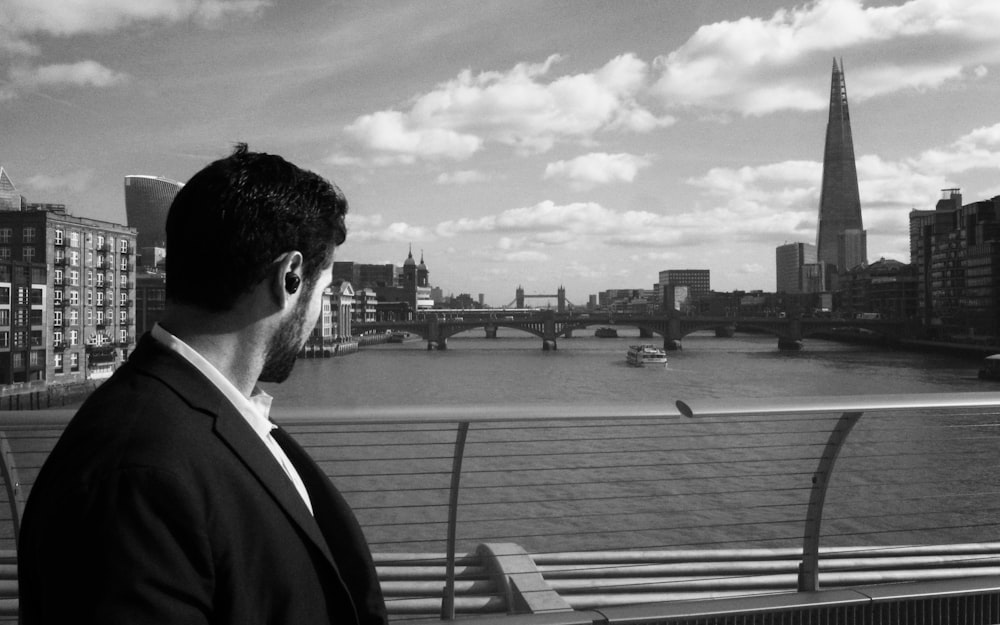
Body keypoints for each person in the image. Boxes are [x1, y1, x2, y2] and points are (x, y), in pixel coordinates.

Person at [18, 144, 388, 625]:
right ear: (290, 277)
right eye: (323, 290)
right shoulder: (137, 480)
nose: (319, 315)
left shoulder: (198, 417)